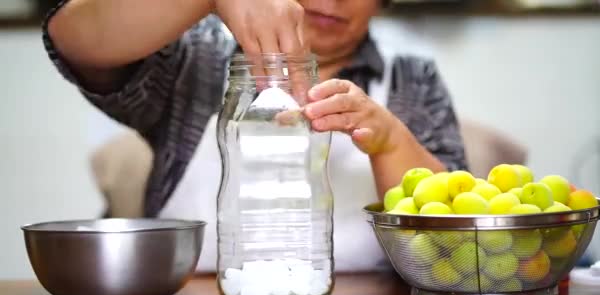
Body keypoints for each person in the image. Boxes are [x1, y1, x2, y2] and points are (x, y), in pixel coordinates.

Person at [44, 0, 468, 272]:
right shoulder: (196, 57)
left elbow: (453, 246)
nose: (332, 1)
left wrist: (390, 140)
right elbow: (72, 40)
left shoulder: (412, 81)